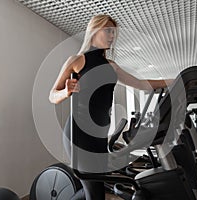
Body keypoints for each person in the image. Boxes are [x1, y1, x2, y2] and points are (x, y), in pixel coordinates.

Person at [49, 14, 173, 200]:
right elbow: (52, 95)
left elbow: (141, 84)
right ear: (94, 30)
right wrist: (65, 92)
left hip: (99, 135)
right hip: (78, 134)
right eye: (108, 30)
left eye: (114, 32)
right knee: (95, 192)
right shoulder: (77, 60)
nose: (112, 36)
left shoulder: (111, 65)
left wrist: (175, 81)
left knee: (94, 188)